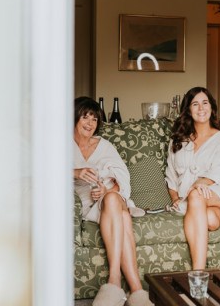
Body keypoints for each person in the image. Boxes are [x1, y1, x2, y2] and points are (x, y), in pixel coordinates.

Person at [73, 97, 152, 306]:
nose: (90, 123)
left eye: (94, 120)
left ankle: (114, 281)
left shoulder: (104, 145)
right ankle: (136, 290)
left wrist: (106, 189)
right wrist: (76, 172)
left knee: (113, 198)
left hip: (109, 198)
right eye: (85, 117)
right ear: (74, 118)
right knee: (123, 215)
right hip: (87, 204)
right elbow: (46, 173)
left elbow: (122, 178)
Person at [164, 87, 220, 269]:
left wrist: (202, 182)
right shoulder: (178, 140)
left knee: (197, 195)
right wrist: (175, 198)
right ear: (188, 110)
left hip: (217, 189)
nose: (201, 108)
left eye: (205, 103)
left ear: (212, 107)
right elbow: (171, 175)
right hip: (189, 199)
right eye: (195, 104)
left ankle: (198, 271)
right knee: (210, 219)